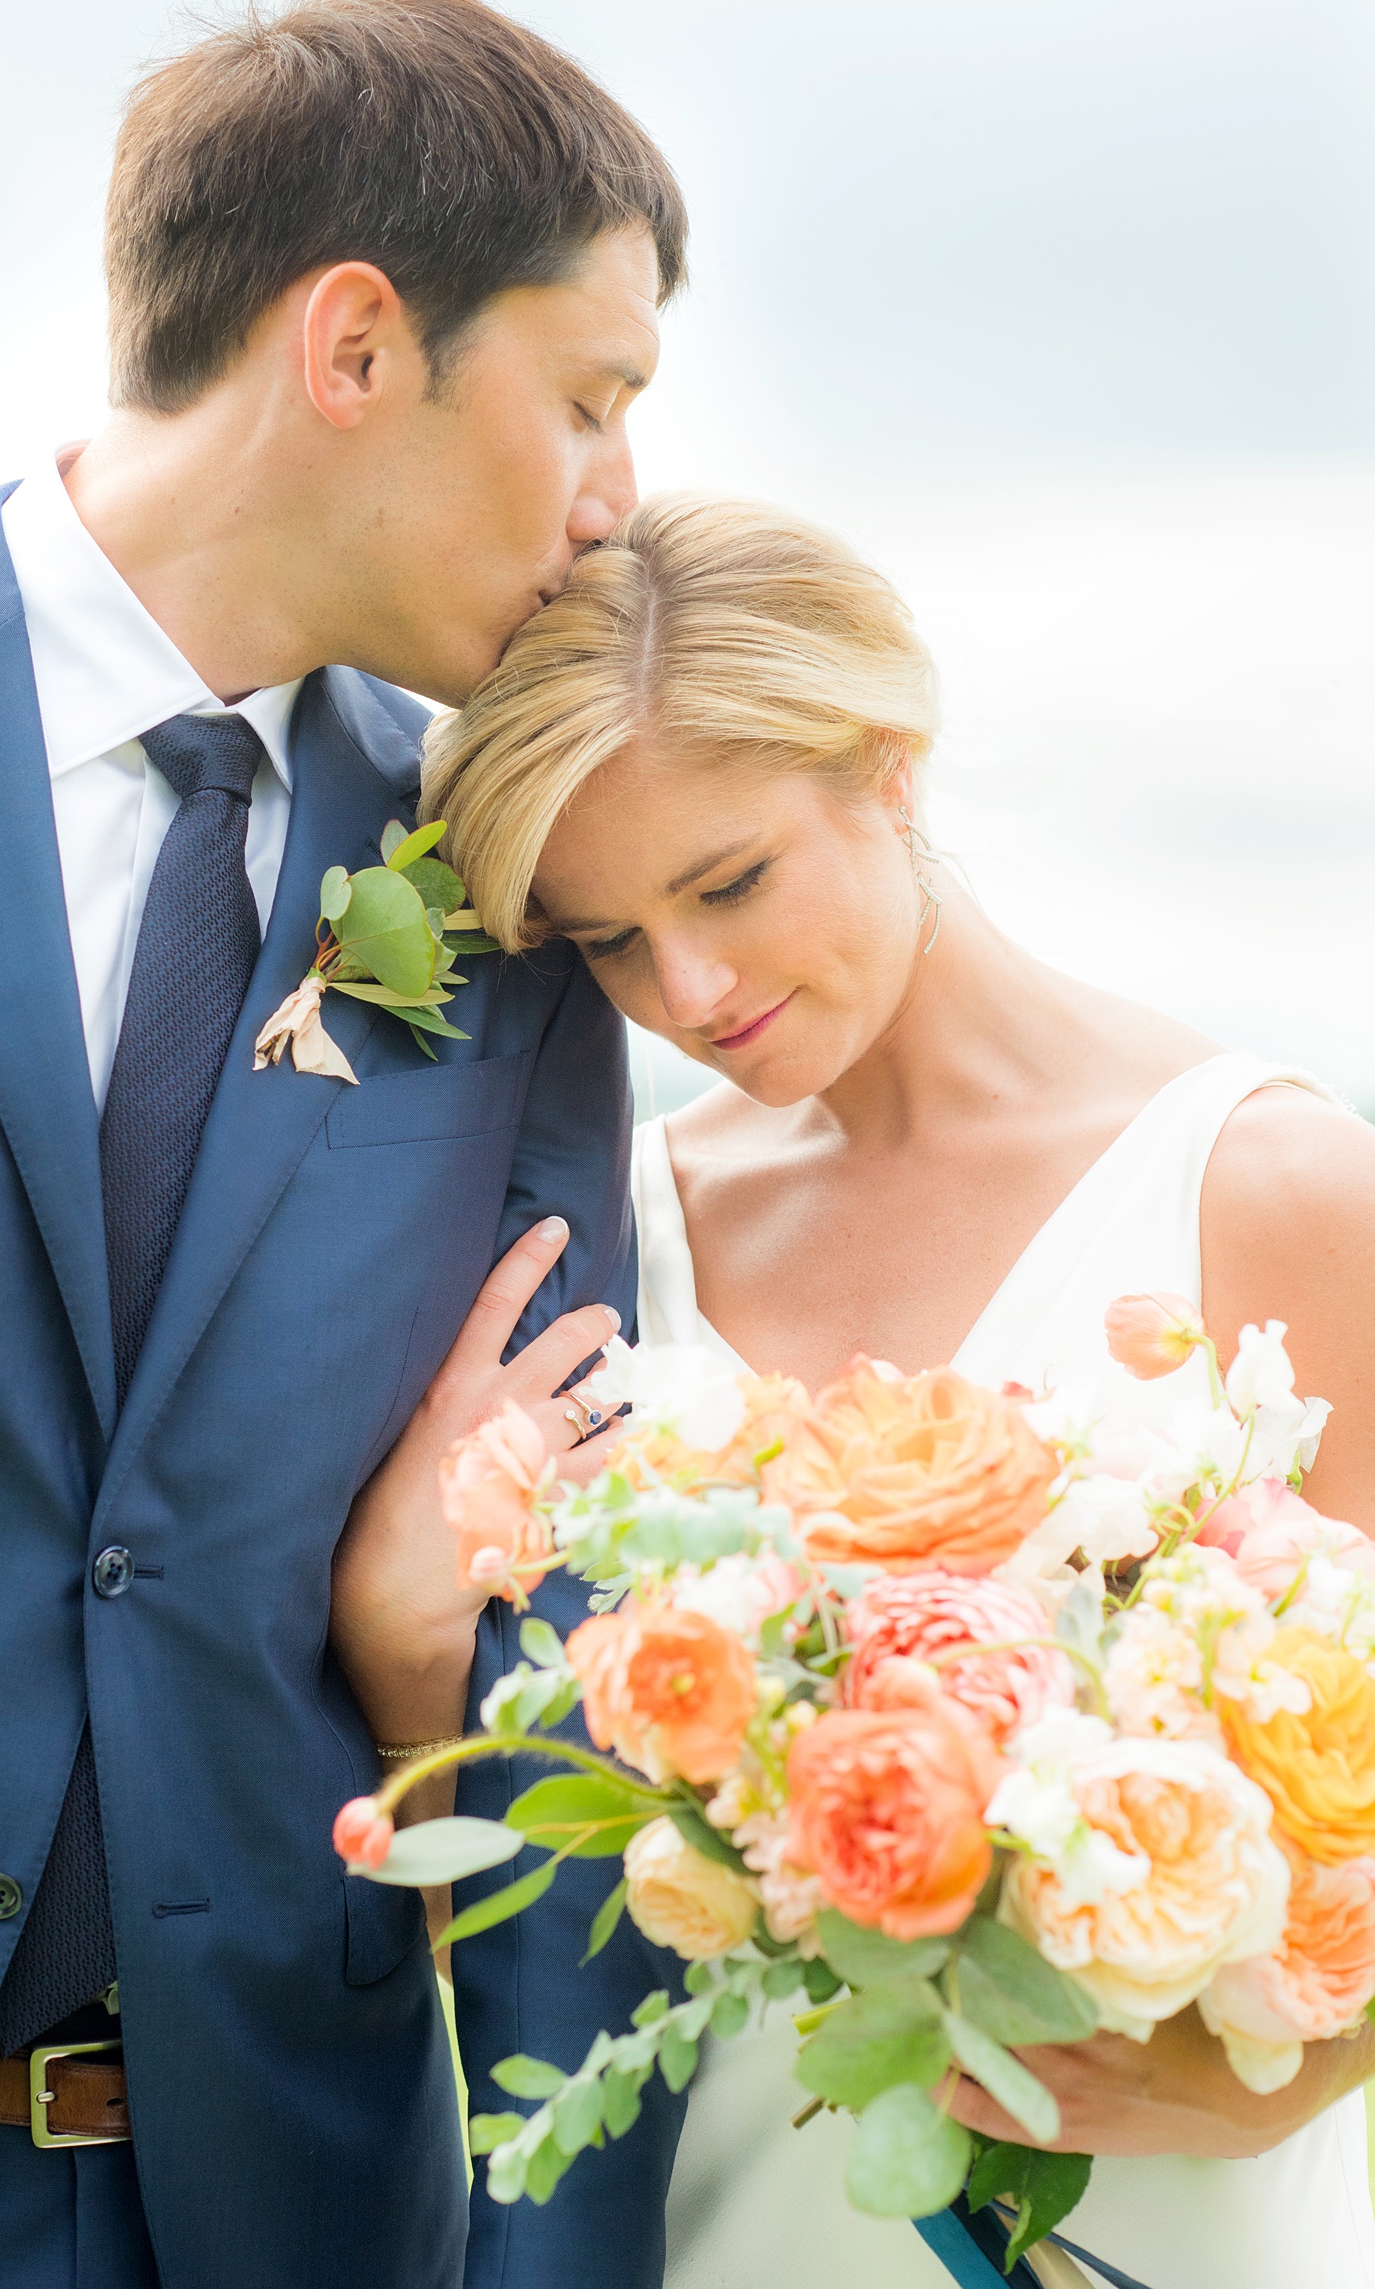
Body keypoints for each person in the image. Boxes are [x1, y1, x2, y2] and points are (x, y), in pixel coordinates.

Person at [0, 0, 688, 2289]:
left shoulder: (501, 907)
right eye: (591, 397)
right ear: (352, 348)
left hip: (291, 2217)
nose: (620, 501)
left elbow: (576, 1653)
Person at [343, 491, 1375, 2289]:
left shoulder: (1269, 1190)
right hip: (723, 2223)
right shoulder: (618, 1250)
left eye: (729, 880)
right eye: (608, 942)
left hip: (1162, 2217)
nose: (695, 988)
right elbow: (478, 1928)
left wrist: (1308, 2071)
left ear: (888, 761)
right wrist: (397, 1633)